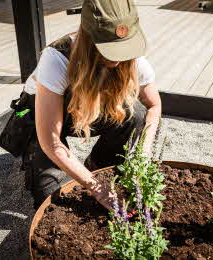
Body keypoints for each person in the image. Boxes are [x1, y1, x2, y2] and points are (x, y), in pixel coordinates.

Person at [19, 0, 161, 210]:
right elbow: (51, 141)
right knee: (54, 199)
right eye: (110, 48)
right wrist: (96, 187)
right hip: (49, 119)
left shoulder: (134, 60)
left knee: (136, 114)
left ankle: (96, 165)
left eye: (123, 47)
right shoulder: (57, 59)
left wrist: (145, 150)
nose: (119, 59)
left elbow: (153, 107)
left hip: (89, 112)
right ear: (88, 36)